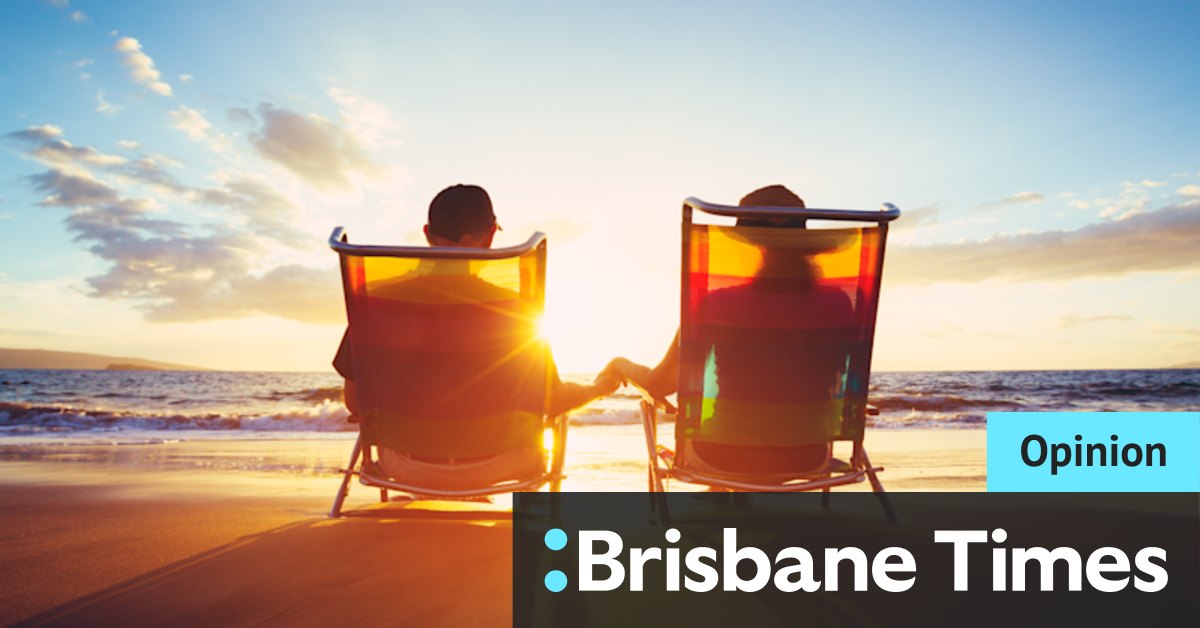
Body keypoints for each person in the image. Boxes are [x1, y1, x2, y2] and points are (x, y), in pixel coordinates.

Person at [333, 185, 618, 484]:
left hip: (404, 466)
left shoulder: (377, 303)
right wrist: (597, 388)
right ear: (490, 235)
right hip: (502, 465)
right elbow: (552, 401)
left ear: (427, 233)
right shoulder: (516, 310)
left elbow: (355, 402)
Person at [607, 184, 851, 474]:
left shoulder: (718, 303)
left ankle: (728, 488)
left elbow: (662, 385)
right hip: (807, 456)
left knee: (727, 436)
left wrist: (620, 365)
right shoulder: (839, 303)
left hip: (721, 455)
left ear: (751, 245)